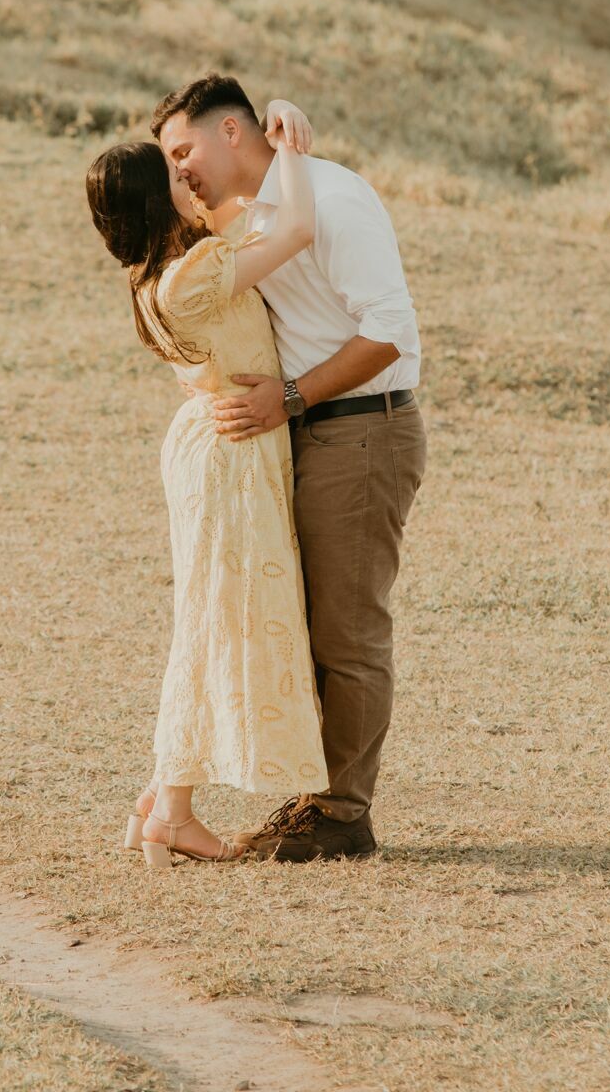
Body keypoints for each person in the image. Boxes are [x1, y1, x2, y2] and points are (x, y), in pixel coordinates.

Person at [153, 75, 426, 861]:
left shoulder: (335, 201)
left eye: (185, 151)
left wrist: (293, 395)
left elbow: (390, 334)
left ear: (233, 133)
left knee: (347, 631)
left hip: (362, 431)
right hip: (302, 432)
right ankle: (312, 797)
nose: (183, 172)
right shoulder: (246, 215)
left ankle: (343, 814)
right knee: (298, 628)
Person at [85, 103, 329, 868]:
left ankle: (163, 800)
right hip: (232, 450)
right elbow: (293, 234)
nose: (187, 176)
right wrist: (292, 152)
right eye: (173, 174)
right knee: (213, 623)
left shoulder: (156, 271)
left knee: (205, 617)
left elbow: (233, 215)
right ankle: (173, 811)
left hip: (210, 439)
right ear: (159, 201)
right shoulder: (191, 274)